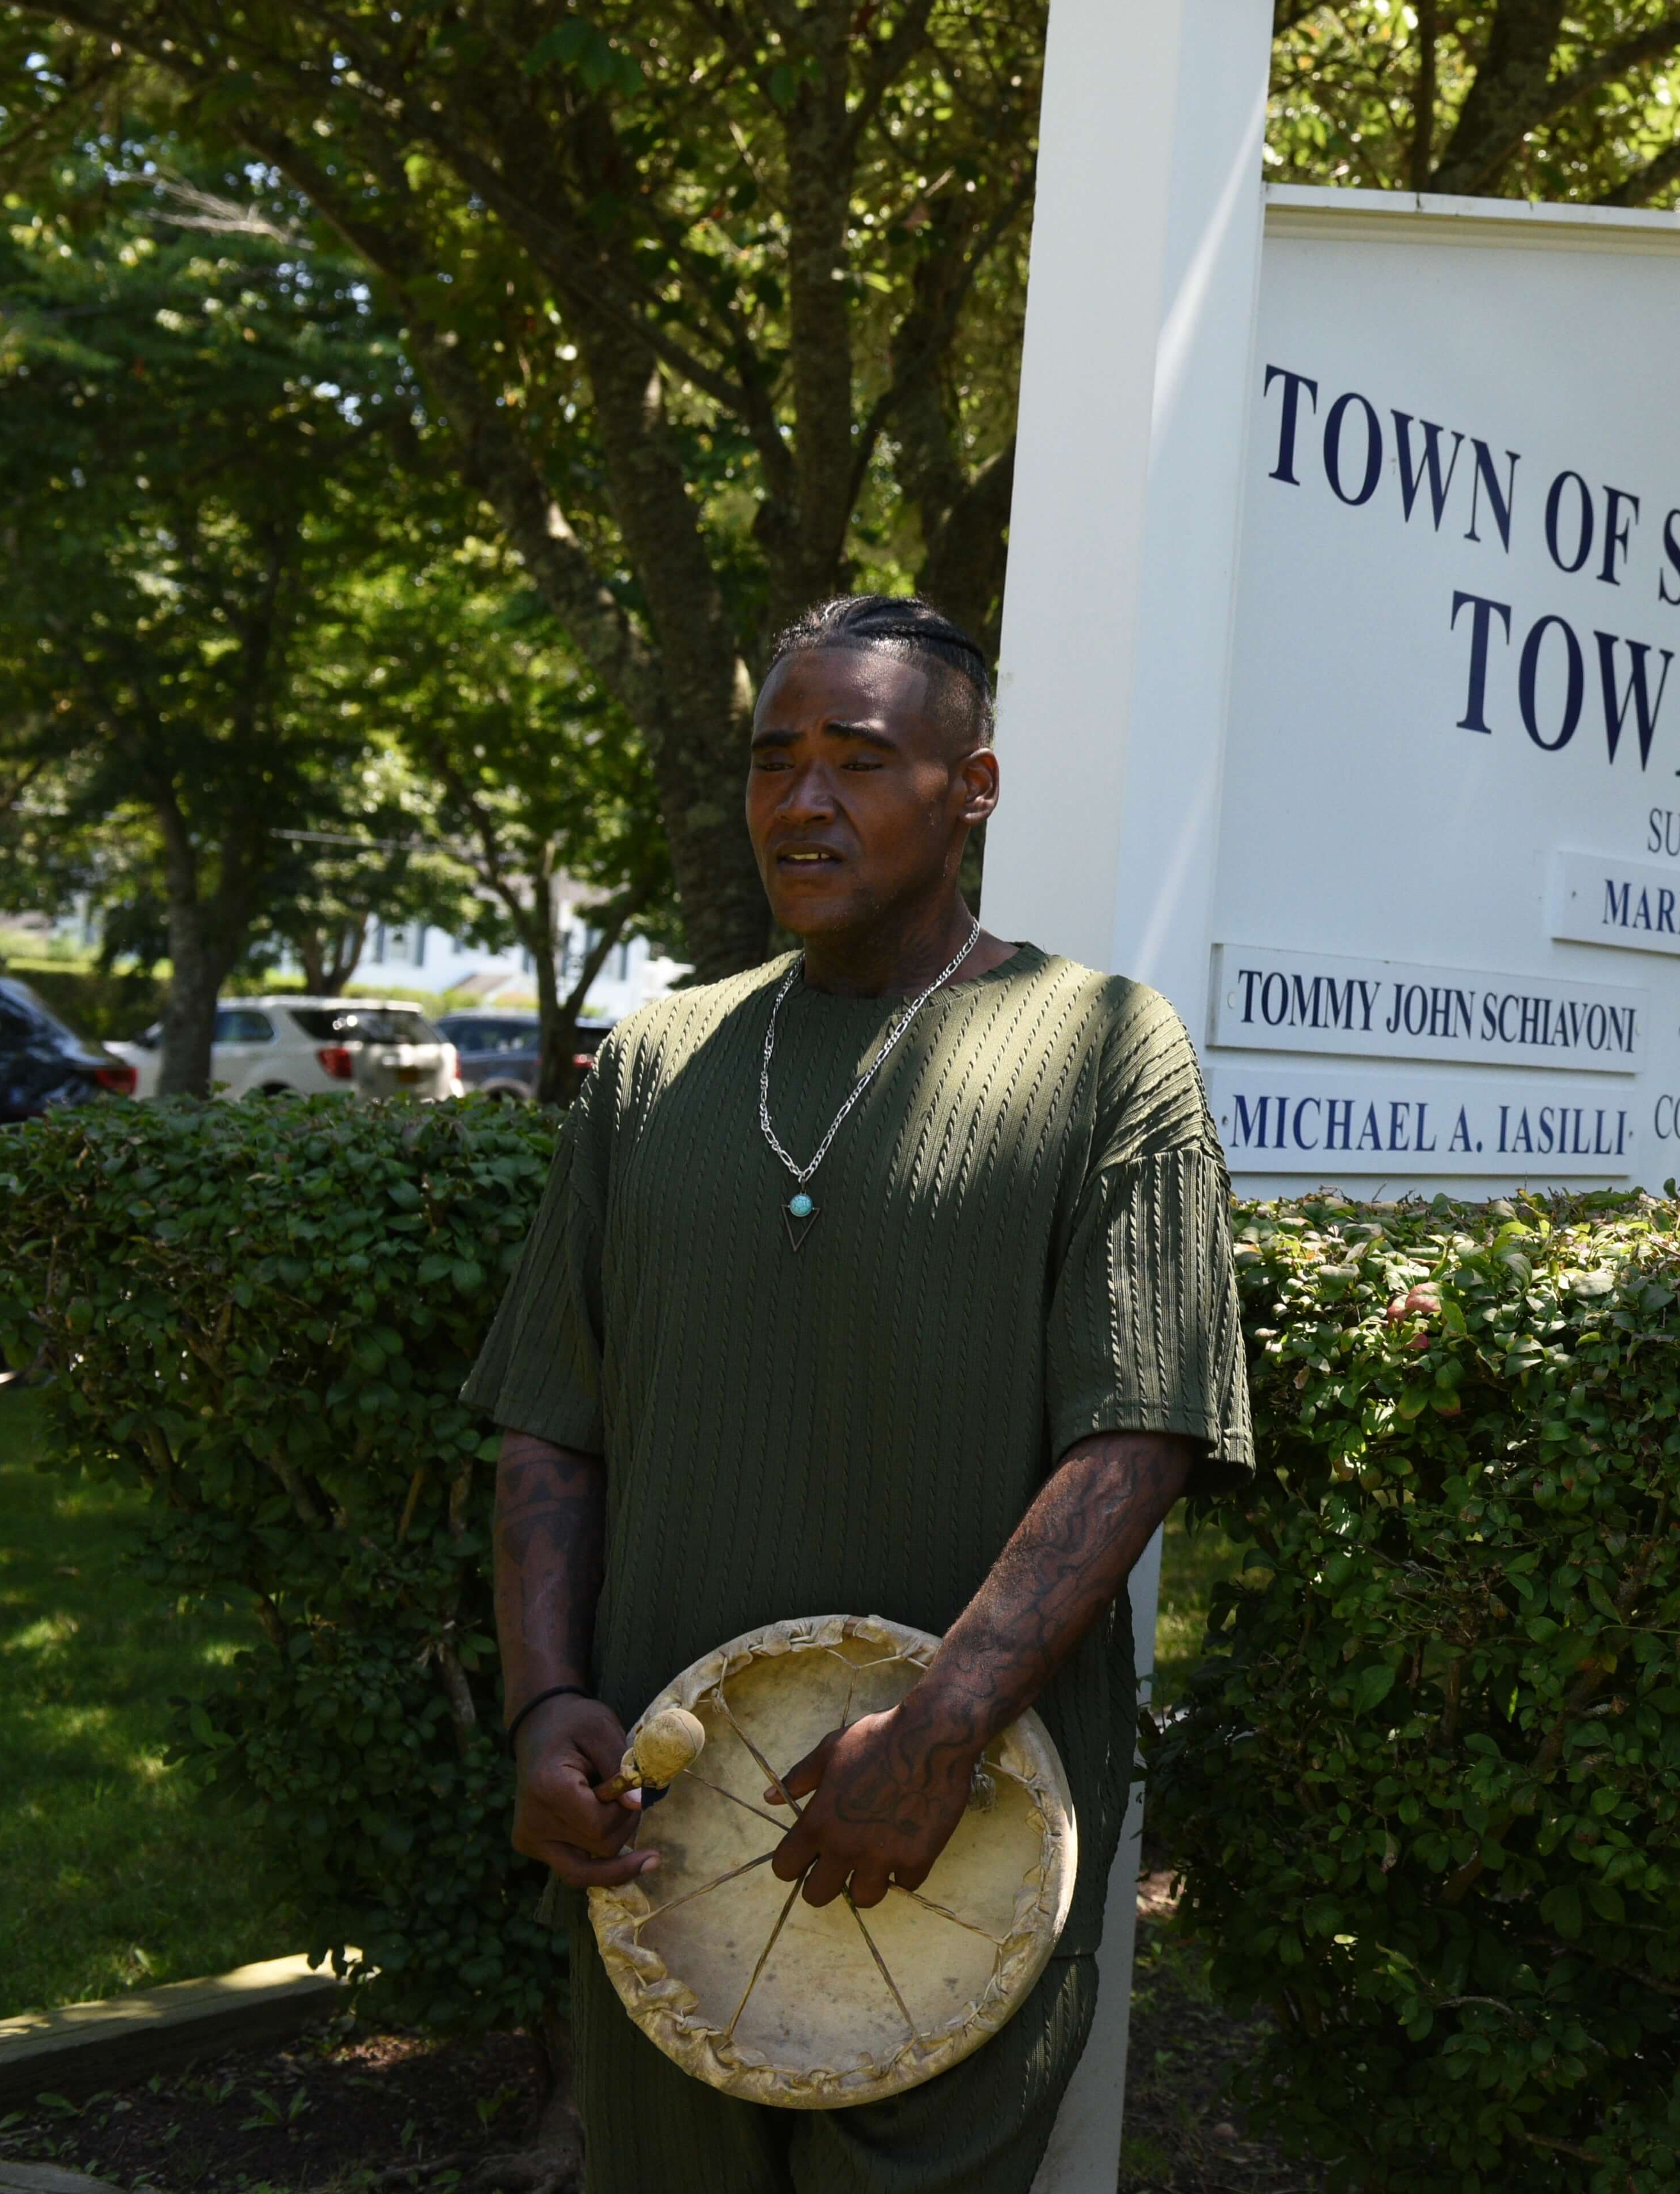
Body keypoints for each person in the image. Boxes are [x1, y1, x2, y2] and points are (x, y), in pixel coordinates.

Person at [469, 594, 1252, 2194]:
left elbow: (1142, 1425)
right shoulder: (660, 1059)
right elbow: (554, 1416)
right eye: (773, 762)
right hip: (664, 1836)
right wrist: (549, 1701)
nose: (802, 802)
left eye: (858, 761)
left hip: (961, 1822)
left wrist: (945, 1727)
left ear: (971, 787)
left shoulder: (1100, 1042)